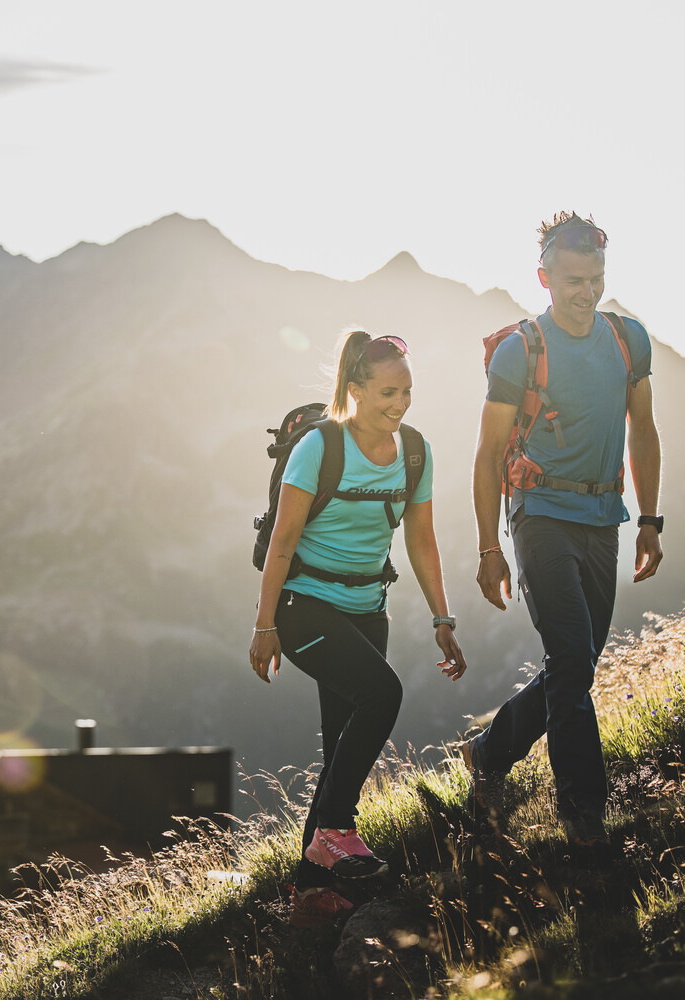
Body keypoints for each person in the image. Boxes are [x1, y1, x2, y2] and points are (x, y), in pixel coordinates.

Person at [250, 330, 468, 926]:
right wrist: (264, 625)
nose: (400, 404)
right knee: (382, 693)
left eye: (408, 391)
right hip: (302, 606)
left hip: (369, 608)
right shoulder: (320, 447)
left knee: (341, 745)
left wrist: (442, 617)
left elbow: (421, 540)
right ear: (356, 390)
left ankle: (311, 896)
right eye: (388, 392)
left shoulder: (414, 451)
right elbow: (282, 541)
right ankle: (336, 829)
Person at [465, 212, 664, 857]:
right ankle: (584, 821)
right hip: (540, 515)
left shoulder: (628, 339)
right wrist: (489, 546)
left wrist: (650, 519)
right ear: (545, 278)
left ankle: (489, 753)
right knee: (574, 660)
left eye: (596, 278)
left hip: (604, 518)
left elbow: (642, 431)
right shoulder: (521, 350)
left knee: (575, 664)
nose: (587, 292)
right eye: (574, 280)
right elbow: (488, 454)